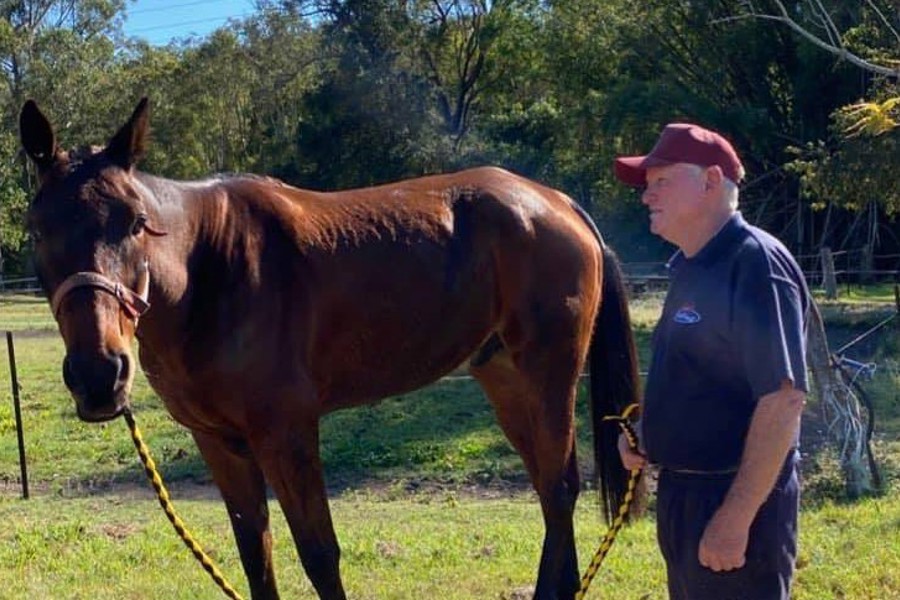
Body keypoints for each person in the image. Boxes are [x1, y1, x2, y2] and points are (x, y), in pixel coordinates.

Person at [613, 123, 810, 600]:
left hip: (733, 501)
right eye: (647, 185)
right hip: (684, 498)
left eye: (661, 182)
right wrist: (646, 433)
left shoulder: (755, 264)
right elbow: (703, 377)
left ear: (710, 181)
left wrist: (735, 518)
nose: (646, 196)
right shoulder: (691, 266)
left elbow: (783, 401)